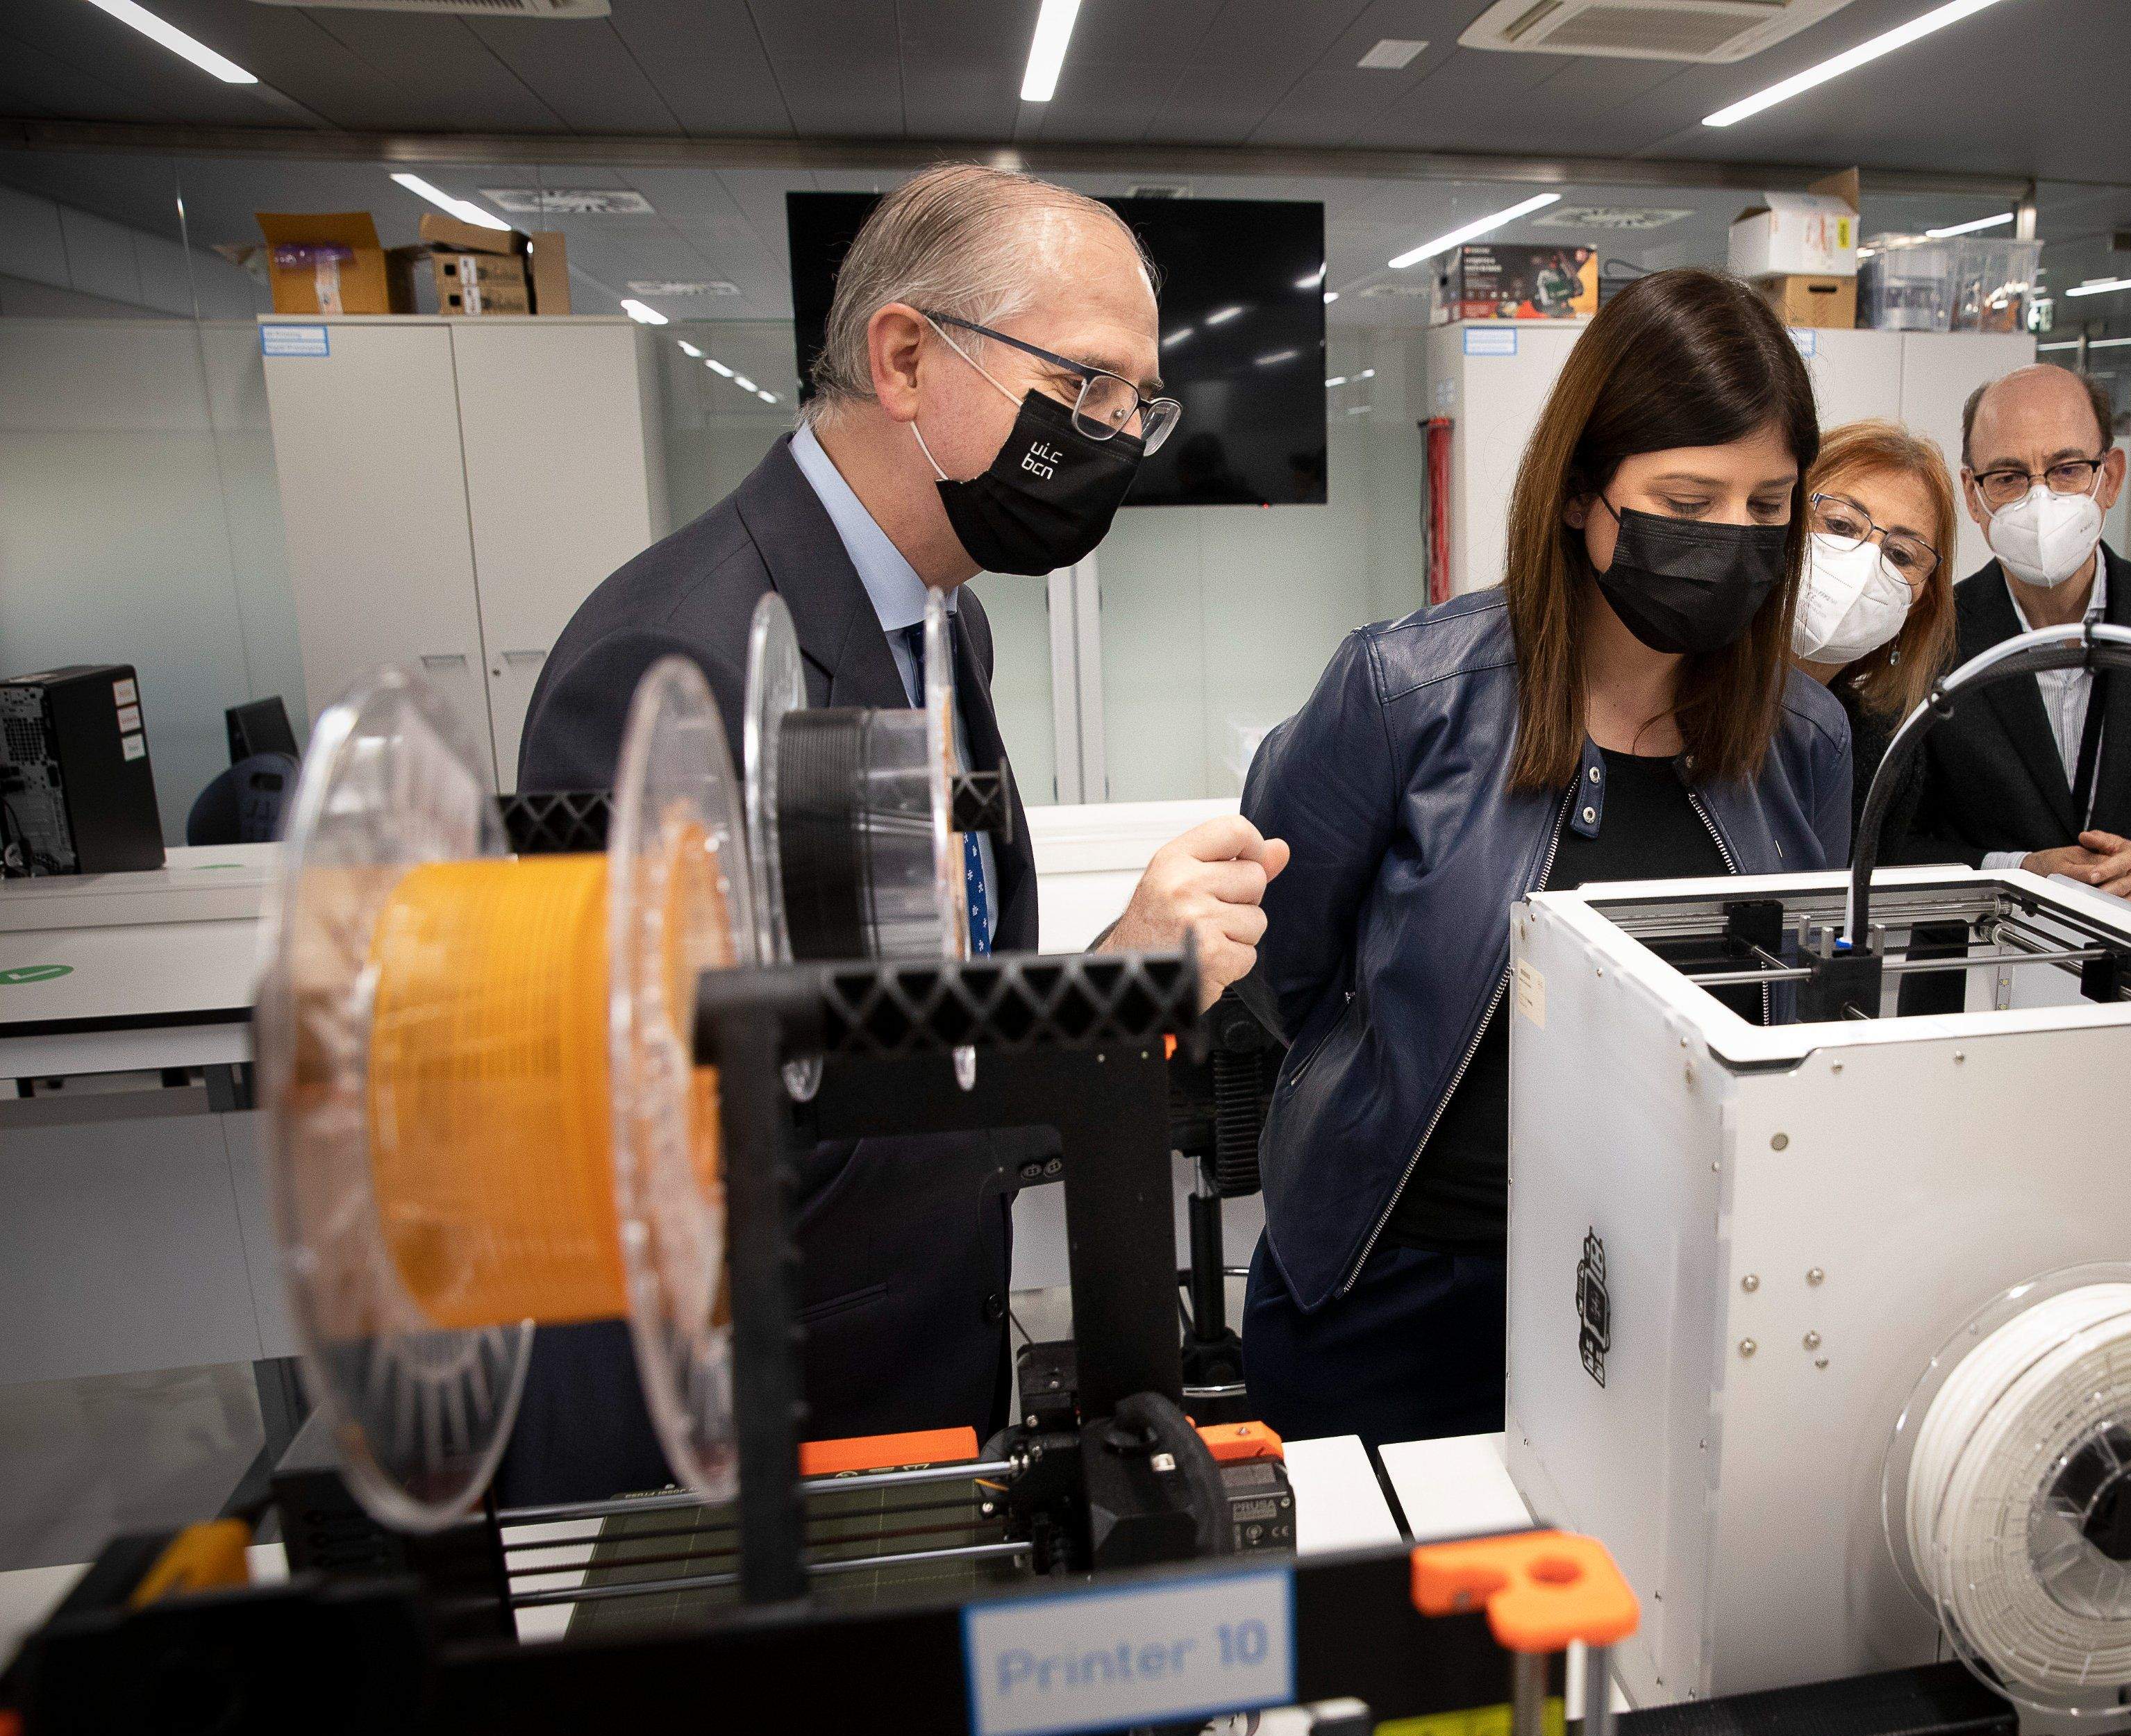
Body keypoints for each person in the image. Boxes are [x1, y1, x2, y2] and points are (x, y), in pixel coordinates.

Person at [505, 162, 1286, 1503]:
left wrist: (1107, 980)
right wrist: (1102, 986)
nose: (1110, 434)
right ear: (908, 359)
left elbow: (903, 1017)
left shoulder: (939, 618)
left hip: (908, 1368)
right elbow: (689, 1136)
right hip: (731, 1438)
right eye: (1084, 384)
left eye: (1135, 406)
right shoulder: (676, 662)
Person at [1237, 269, 1851, 1447]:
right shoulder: (1406, 693)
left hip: (1672, 1289)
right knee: (1393, 1624)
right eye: (1688, 496)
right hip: (1397, 1286)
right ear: (1581, 495)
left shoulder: (1800, 738)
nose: (1733, 540)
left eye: (1768, 507)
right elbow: (1284, 966)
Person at [1897, 364, 2131, 921]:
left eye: (2067, 469)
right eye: (2008, 476)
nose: (2041, 500)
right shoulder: (1927, 635)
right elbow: (1889, 837)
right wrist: (2015, 873)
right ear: (1973, 496)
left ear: (2112, 476)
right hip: (1975, 977)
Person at [1787, 418, 1960, 846]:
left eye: (1900, 554)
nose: (1865, 566)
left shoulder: (1885, 753)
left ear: (1922, 600)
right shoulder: (1673, 691)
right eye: (1841, 526)